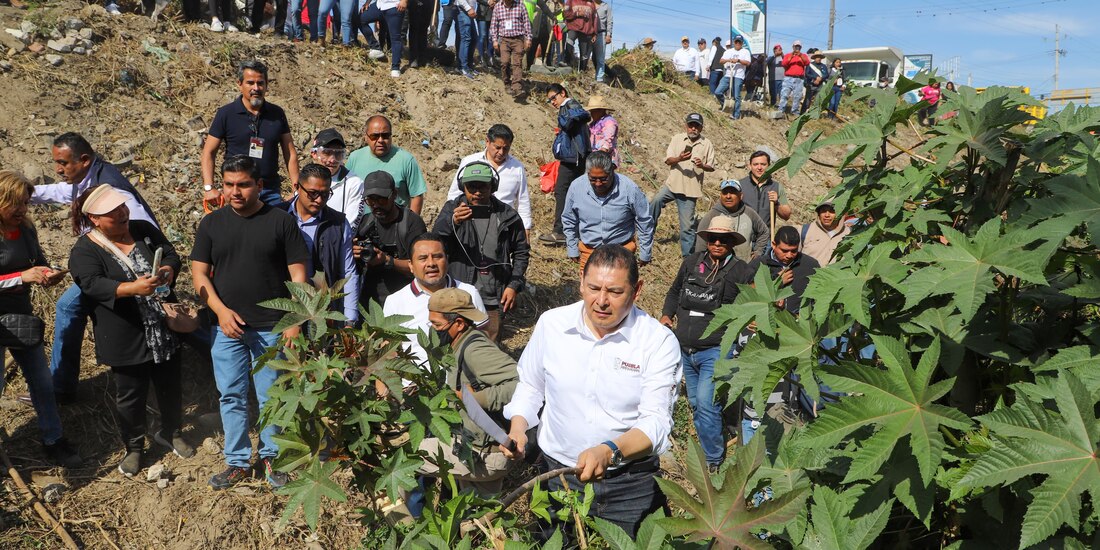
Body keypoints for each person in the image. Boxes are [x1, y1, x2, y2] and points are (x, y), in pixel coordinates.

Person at [500, 245, 681, 538]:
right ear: (581, 283)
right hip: (558, 477)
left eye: (615, 292)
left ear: (637, 290)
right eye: (594, 288)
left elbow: (656, 421)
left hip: (630, 484)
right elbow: (531, 385)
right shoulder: (552, 325)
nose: (602, 301)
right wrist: (519, 427)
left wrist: (609, 451)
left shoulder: (657, 341)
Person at [191, 156, 310, 490]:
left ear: (259, 185)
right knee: (231, 395)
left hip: (272, 326)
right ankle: (238, 462)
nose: (235, 191)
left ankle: (272, 457)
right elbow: (199, 274)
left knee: (272, 396)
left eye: (243, 184)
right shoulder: (212, 224)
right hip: (226, 328)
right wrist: (221, 311)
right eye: (228, 184)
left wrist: (295, 318)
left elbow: (298, 275)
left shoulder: (280, 222)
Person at [68, 185, 194, 476]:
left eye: (122, 208)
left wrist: (168, 271)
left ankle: (171, 431)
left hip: (162, 327)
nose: (122, 214)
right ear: (95, 219)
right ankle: (134, 446)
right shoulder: (85, 250)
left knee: (169, 384)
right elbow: (92, 284)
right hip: (127, 333)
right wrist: (132, 288)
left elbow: (171, 254)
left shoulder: (142, 229)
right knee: (131, 394)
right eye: (113, 213)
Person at [28, 133, 160, 406]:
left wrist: (141, 276)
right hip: (106, 265)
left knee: (68, 307)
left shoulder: (112, 189)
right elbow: (62, 192)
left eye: (63, 163)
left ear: (84, 160)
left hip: (125, 271)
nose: (57, 169)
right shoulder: (86, 180)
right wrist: (25, 193)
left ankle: (60, 389)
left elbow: (144, 230)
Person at [0, 171, 82, 468]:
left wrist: (47, 273)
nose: (23, 209)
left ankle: (53, 439)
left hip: (19, 317)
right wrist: (20, 277)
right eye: (16, 203)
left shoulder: (26, 229)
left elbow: (38, 262)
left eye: (26, 203)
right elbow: (22, 274)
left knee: (42, 380)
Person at [660, 216, 753, 471]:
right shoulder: (691, 263)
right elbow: (674, 291)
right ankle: (713, 440)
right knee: (695, 403)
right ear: (707, 240)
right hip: (685, 348)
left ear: (732, 242)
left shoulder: (742, 270)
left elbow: (756, 298)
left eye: (723, 240)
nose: (717, 244)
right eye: (713, 239)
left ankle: (713, 459)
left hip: (716, 349)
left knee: (706, 403)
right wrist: (667, 314)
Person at [417, 288, 518, 495]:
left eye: (437, 325)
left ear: (459, 324)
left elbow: (520, 383)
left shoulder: (475, 350)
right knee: (480, 511)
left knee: (405, 457)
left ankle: (399, 517)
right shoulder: (457, 345)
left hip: (486, 453)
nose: (433, 330)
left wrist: (475, 399)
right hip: (478, 445)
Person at [435, 162, 530, 342]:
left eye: (483, 187)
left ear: (492, 187)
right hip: (458, 293)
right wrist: (453, 222)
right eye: (472, 187)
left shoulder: (507, 215)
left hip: (493, 294)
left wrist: (513, 285)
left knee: (487, 346)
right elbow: (435, 241)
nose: (477, 192)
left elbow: (521, 252)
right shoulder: (451, 210)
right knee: (453, 344)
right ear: (463, 187)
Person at [202, 60, 299, 207]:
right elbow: (208, 152)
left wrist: (296, 188)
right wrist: (209, 188)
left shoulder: (277, 113)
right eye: (250, 83)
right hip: (237, 192)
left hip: (270, 191)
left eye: (260, 83)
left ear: (266, 85)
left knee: (275, 223)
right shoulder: (226, 114)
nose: (256, 88)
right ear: (239, 84)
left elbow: (290, 152)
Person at [382, 233, 487, 365]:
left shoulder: (469, 293)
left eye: (437, 256)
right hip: (415, 377)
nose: (431, 263)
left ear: (447, 260)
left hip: (460, 376)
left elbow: (483, 340)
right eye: (423, 258)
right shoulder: (395, 302)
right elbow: (389, 352)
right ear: (411, 265)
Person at [281, 163, 360, 324]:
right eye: (313, 193)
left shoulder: (338, 223)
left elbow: (348, 272)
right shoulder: (277, 216)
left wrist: (349, 319)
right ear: (297, 187)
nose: (319, 200)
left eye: (325, 194)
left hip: (322, 312)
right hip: (283, 310)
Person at [562, 151, 653, 272]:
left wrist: (645, 252)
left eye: (603, 179)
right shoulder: (576, 187)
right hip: (589, 252)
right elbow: (569, 219)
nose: (598, 184)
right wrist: (572, 248)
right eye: (593, 179)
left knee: (619, 284)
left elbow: (644, 220)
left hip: (622, 253)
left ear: (612, 171)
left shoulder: (629, 189)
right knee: (590, 284)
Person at [355, 171, 427, 308]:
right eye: (370, 200)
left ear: (394, 194)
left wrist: (388, 260)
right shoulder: (365, 223)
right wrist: (354, 253)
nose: (376, 205)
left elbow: (421, 266)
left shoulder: (411, 223)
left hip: (405, 300)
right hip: (371, 300)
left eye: (381, 199)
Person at [446, 124, 532, 239]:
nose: (501, 152)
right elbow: (454, 195)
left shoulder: (517, 167)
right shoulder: (469, 162)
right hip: (472, 224)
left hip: (504, 227)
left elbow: (523, 201)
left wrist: (526, 229)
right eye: (497, 147)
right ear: (487, 142)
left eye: (506, 148)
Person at [651, 113, 716, 257]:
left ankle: (688, 258)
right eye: (691, 125)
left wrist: (702, 165)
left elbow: (711, 167)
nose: (693, 128)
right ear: (685, 126)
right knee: (655, 202)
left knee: (687, 227)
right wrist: (679, 158)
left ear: (701, 128)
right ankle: (647, 233)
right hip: (672, 185)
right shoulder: (677, 139)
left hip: (690, 191)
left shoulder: (707, 144)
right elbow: (668, 160)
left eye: (696, 126)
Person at [346, 115, 428, 215]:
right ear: (366, 137)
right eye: (374, 136)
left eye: (385, 136)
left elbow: (416, 196)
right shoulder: (354, 158)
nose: (380, 140)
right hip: (360, 222)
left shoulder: (406, 160)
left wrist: (411, 221)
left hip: (395, 222)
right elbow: (345, 190)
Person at [540, 84, 590, 246]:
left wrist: (564, 121)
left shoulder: (569, 105)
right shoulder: (570, 107)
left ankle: (560, 231)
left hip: (572, 159)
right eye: (550, 100)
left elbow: (579, 118)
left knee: (562, 192)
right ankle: (573, 231)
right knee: (571, 193)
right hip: (575, 158)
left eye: (554, 98)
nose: (553, 102)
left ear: (562, 93)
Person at [747, 225, 820, 315]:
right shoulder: (759, 265)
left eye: (793, 251)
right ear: (774, 245)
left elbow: (819, 296)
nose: (789, 255)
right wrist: (776, 281)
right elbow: (747, 292)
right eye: (784, 251)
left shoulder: (810, 266)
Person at [693, 179, 769, 260]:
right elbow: (701, 243)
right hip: (719, 264)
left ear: (741, 196)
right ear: (720, 196)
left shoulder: (749, 213)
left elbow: (764, 231)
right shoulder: (712, 215)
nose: (728, 196)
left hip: (745, 263)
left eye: (733, 192)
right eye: (725, 193)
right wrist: (701, 261)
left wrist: (758, 251)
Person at [309, 129, 364, 226]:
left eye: (338, 154)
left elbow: (351, 225)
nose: (332, 160)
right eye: (326, 153)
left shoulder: (354, 183)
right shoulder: (305, 179)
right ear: (314, 154)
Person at [738, 150, 791, 234]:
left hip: (765, 237)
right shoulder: (740, 185)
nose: (759, 168)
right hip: (743, 237)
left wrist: (776, 203)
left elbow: (786, 216)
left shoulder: (776, 187)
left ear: (769, 166)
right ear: (750, 166)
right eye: (755, 164)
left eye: (763, 164)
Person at [490, 0, 532, 98]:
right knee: (504, 62)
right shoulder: (498, 7)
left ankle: (517, 87)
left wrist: (528, 38)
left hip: (518, 39)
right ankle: (507, 83)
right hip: (504, 40)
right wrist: (494, 40)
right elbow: (493, 25)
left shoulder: (520, 5)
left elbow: (526, 23)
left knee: (517, 63)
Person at [358, 0, 408, 77]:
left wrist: (404, 1)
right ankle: (375, 48)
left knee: (395, 37)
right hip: (379, 5)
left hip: (394, 6)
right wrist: (368, 2)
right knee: (361, 18)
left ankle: (395, 68)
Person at [800, 200, 850, 266]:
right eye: (823, 211)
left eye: (832, 211)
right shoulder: (805, 230)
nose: (827, 215)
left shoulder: (849, 234)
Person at [714, 36, 751, 118]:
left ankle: (736, 115)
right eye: (736, 42)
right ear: (734, 42)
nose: (737, 43)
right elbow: (721, 61)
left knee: (736, 96)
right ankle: (726, 106)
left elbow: (748, 63)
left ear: (742, 43)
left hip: (738, 76)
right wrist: (728, 60)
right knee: (718, 92)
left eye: (739, 42)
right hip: (728, 75)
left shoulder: (745, 52)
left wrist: (738, 60)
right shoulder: (728, 51)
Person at [562, 0, 596, 72]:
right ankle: (567, 62)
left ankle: (582, 71)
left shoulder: (592, 3)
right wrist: (577, 13)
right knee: (570, 40)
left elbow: (594, 19)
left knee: (584, 53)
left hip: (586, 30)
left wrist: (594, 33)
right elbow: (565, 14)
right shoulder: (570, 1)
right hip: (573, 27)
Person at [586, 95, 620, 168]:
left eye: (593, 111)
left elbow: (608, 138)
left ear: (600, 110)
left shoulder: (609, 122)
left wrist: (603, 151)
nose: (591, 114)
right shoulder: (593, 124)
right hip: (594, 157)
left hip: (605, 158)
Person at [777, 40, 809, 116]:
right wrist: (792, 55)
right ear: (793, 47)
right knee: (784, 94)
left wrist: (800, 55)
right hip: (788, 78)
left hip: (799, 79)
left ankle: (795, 112)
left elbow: (807, 62)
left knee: (797, 96)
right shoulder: (788, 55)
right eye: (796, 46)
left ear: (800, 47)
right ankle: (781, 110)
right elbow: (784, 64)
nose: (797, 48)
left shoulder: (803, 55)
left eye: (798, 46)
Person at [407, 0, 435, 67]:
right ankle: (413, 58)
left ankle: (422, 58)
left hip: (428, 4)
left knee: (423, 30)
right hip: (415, 3)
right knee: (414, 29)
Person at [801, 50, 829, 115]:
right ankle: (802, 113)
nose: (818, 58)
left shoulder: (824, 66)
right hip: (811, 85)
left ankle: (814, 114)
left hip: (820, 85)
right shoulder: (810, 65)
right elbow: (807, 74)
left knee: (817, 100)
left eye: (820, 57)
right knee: (807, 100)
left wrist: (821, 79)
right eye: (817, 57)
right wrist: (815, 78)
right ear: (814, 58)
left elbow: (826, 75)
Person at [592, 0, 612, 83]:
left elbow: (610, 21)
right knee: (587, 57)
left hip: (601, 34)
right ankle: (582, 74)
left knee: (600, 59)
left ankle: (599, 79)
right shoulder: (589, 4)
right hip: (589, 34)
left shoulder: (606, 6)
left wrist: (608, 35)